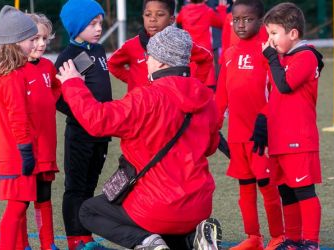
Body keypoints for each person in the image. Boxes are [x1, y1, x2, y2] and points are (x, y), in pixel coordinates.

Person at [56, 26, 222, 250]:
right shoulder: (205, 97)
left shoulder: (148, 97)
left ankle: (147, 242)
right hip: (198, 205)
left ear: (162, 62)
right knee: (169, 229)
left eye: (149, 57)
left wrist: (73, 83)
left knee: (88, 211)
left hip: (156, 205)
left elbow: (98, 120)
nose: (146, 61)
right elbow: (210, 147)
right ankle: (193, 238)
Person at [0, 12, 61, 250]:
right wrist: (23, 143)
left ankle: (47, 245)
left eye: (42, 39)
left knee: (33, 201)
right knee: (18, 206)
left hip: (34, 150)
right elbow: (4, 108)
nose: (38, 44)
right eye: (32, 39)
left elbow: (54, 89)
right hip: (20, 153)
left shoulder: (39, 68)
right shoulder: (12, 75)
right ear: (16, 41)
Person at [215, 1, 284, 249]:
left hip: (260, 136)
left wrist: (265, 122)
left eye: (248, 19)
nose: (241, 24)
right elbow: (221, 95)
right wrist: (213, 123)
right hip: (236, 135)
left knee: (266, 185)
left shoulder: (267, 51)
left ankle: (279, 236)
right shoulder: (230, 53)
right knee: (245, 187)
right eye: (237, 19)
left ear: (260, 21)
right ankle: (253, 237)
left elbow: (276, 93)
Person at [258, 2, 324, 249]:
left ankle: (311, 242)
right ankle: (293, 240)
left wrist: (272, 58)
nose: (270, 40)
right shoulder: (285, 58)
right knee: (287, 192)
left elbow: (285, 84)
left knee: (304, 192)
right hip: (279, 139)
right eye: (268, 35)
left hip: (299, 138)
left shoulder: (305, 56)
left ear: (293, 33)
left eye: (274, 34)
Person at [55, 0, 112, 249]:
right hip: (80, 133)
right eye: (92, 23)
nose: (99, 27)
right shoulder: (69, 57)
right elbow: (58, 96)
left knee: (90, 185)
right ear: (76, 26)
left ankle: (86, 238)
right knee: (76, 187)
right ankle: (74, 240)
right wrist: (81, 114)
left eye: (100, 22)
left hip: (101, 132)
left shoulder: (97, 50)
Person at [108, 0, 216, 92]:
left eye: (159, 14)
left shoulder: (179, 44)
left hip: (170, 110)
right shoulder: (131, 45)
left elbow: (206, 58)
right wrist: (132, 80)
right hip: (140, 110)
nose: (152, 19)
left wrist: (194, 84)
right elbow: (112, 64)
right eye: (148, 14)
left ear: (172, 19)